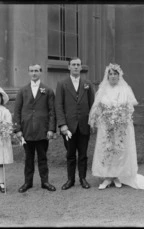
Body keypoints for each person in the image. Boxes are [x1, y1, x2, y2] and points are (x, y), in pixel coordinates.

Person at [88, 63, 144, 190]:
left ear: (119, 76)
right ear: (107, 76)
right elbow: (97, 108)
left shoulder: (125, 89)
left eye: (115, 74)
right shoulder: (102, 90)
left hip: (121, 126)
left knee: (119, 150)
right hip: (106, 126)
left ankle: (117, 175)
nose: (113, 76)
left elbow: (130, 108)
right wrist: (105, 117)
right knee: (107, 149)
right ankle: (107, 176)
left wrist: (120, 116)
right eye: (110, 74)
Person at [14, 64, 57, 193]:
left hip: (42, 130)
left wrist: (51, 129)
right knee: (28, 158)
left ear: (40, 72)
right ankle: (28, 182)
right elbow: (17, 111)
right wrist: (18, 130)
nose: (34, 73)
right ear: (28, 73)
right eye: (31, 71)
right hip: (26, 130)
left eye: (36, 71)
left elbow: (52, 111)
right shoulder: (22, 91)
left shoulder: (48, 90)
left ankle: (45, 182)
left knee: (42, 157)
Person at [55, 57, 95, 190]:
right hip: (69, 126)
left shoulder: (87, 83)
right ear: (69, 67)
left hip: (84, 125)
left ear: (81, 67)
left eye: (78, 65)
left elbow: (92, 105)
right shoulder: (62, 83)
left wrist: (92, 122)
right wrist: (62, 125)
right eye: (73, 65)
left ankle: (83, 178)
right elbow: (59, 105)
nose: (76, 67)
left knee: (83, 154)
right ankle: (70, 180)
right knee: (70, 154)